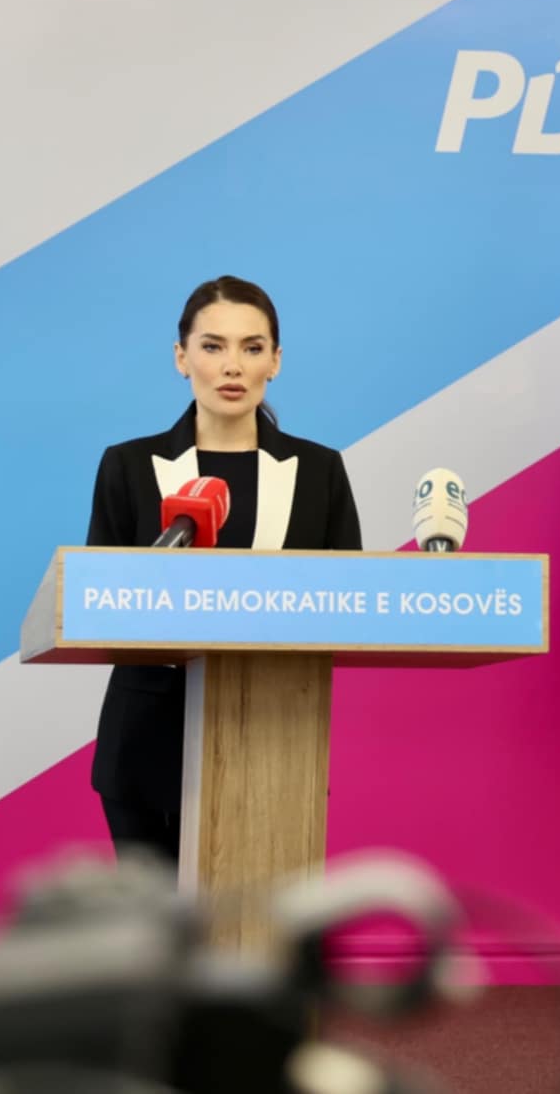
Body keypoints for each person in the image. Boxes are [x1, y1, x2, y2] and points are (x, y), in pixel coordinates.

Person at [87, 276, 363, 866]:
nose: (232, 365)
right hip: (146, 743)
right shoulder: (129, 466)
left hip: (275, 736)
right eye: (213, 346)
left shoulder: (319, 471)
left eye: (251, 347)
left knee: (262, 922)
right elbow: (96, 603)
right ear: (181, 357)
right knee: (154, 923)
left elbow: (349, 604)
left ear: (275, 361)